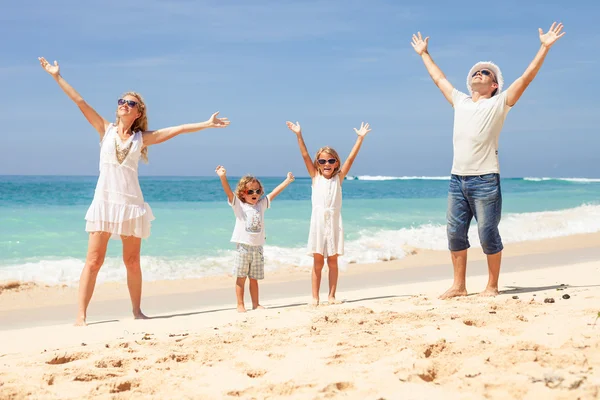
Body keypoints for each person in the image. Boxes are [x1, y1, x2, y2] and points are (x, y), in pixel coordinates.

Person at [38, 57, 230, 325]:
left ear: (138, 112)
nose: (123, 105)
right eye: (121, 101)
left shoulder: (142, 138)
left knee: (132, 261)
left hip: (130, 204)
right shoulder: (104, 130)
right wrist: (56, 76)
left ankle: (137, 311)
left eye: (130, 103)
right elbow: (80, 102)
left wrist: (207, 124)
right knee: (93, 261)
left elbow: (179, 130)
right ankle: (81, 315)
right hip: (105, 201)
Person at [410, 22, 566, 298]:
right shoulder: (460, 101)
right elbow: (439, 79)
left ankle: (492, 286)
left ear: (494, 85)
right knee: (455, 234)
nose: (479, 74)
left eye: (486, 73)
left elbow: (526, 78)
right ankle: (459, 286)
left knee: (487, 234)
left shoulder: (500, 103)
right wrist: (424, 53)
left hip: (485, 180)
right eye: (476, 72)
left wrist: (544, 48)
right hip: (457, 179)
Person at [286, 121, 372, 306]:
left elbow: (351, 159)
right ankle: (315, 297)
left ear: (336, 163)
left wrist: (360, 138)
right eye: (323, 161)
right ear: (318, 163)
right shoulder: (315, 177)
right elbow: (304, 155)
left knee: (333, 262)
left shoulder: (338, 178)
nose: (327, 164)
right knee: (317, 263)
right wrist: (298, 134)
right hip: (317, 223)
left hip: (333, 223)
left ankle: (332, 296)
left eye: (331, 161)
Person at [216, 166, 294, 312]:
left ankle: (256, 304)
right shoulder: (239, 205)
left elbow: (274, 193)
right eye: (250, 191)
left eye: (257, 191)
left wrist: (287, 181)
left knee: (254, 278)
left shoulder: (261, 205)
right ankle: (240, 304)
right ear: (242, 194)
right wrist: (222, 177)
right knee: (241, 277)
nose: (255, 194)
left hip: (258, 248)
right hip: (243, 248)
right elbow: (228, 192)